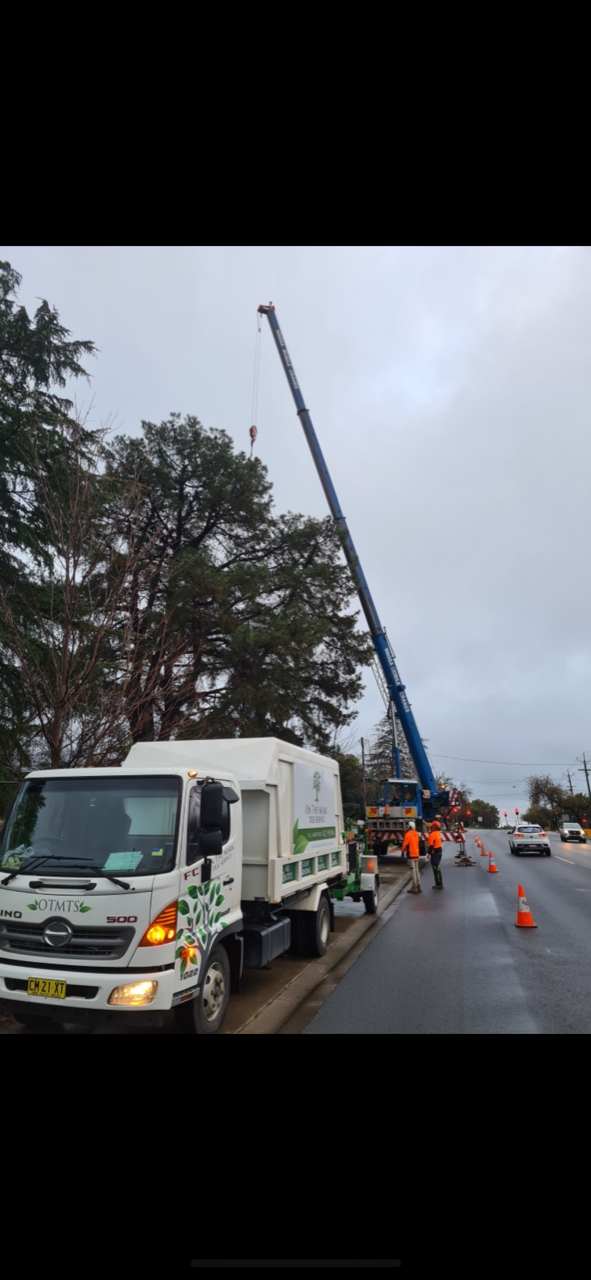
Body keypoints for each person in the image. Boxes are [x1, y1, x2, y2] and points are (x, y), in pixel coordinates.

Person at [401, 821, 422, 893]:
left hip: (411, 855)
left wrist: (402, 851)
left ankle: (414, 887)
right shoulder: (416, 834)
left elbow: (405, 844)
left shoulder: (408, 834)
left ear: (409, 827)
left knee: (412, 871)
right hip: (416, 854)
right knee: (416, 871)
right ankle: (418, 886)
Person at [428, 820, 444, 889]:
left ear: (434, 827)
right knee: (437, 868)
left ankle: (439, 884)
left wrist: (428, 853)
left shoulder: (432, 834)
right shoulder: (438, 834)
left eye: (432, 826)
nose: (431, 827)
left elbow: (431, 845)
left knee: (436, 869)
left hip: (434, 853)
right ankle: (439, 883)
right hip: (439, 852)